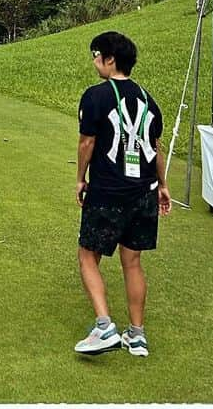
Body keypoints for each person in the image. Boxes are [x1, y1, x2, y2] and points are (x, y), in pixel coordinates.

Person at [74, 31, 171, 357]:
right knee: (133, 262)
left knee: (87, 256)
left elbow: (87, 142)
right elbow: (155, 147)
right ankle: (137, 335)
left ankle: (104, 327)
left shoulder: (95, 96)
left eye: (96, 54)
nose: (94, 60)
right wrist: (164, 186)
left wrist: (80, 179)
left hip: (108, 192)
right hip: (144, 193)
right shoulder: (148, 98)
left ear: (110, 59)